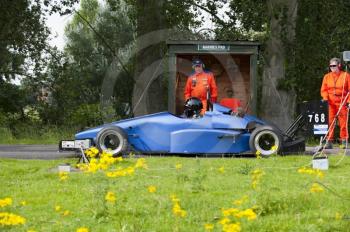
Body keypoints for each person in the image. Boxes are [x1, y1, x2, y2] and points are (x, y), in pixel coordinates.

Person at [320, 57, 350, 149]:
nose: (332, 67)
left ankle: (344, 141)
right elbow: (323, 90)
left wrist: (348, 101)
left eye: (334, 66)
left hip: (342, 102)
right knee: (330, 122)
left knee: (343, 122)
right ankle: (329, 142)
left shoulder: (346, 75)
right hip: (330, 103)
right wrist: (325, 98)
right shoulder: (327, 77)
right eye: (331, 66)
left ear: (339, 65)